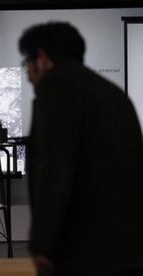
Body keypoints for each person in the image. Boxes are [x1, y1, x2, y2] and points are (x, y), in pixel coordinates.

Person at [19, 22, 143, 276]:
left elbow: (55, 168)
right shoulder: (113, 93)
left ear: (41, 58)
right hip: (128, 246)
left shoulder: (56, 86)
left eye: (26, 63)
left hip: (84, 251)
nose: (27, 74)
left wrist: (42, 244)